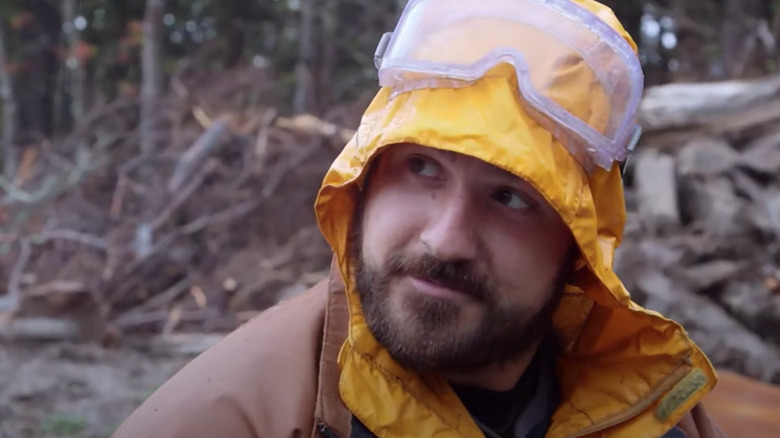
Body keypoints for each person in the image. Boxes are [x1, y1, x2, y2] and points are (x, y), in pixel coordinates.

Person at [113, 0, 728, 437]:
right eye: (422, 169)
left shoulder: (655, 416)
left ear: (576, 250)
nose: (446, 238)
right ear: (364, 180)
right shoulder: (230, 419)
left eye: (510, 198)